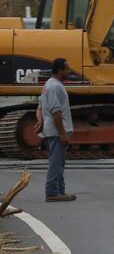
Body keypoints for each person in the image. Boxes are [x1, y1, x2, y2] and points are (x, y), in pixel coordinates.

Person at [36, 58, 76, 202]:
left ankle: (59, 191)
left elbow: (40, 106)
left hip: (53, 129)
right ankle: (52, 192)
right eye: (67, 68)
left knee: (59, 162)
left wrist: (40, 120)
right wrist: (62, 133)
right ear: (60, 70)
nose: (70, 71)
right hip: (55, 131)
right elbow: (55, 112)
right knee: (56, 161)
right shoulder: (54, 87)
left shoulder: (50, 85)